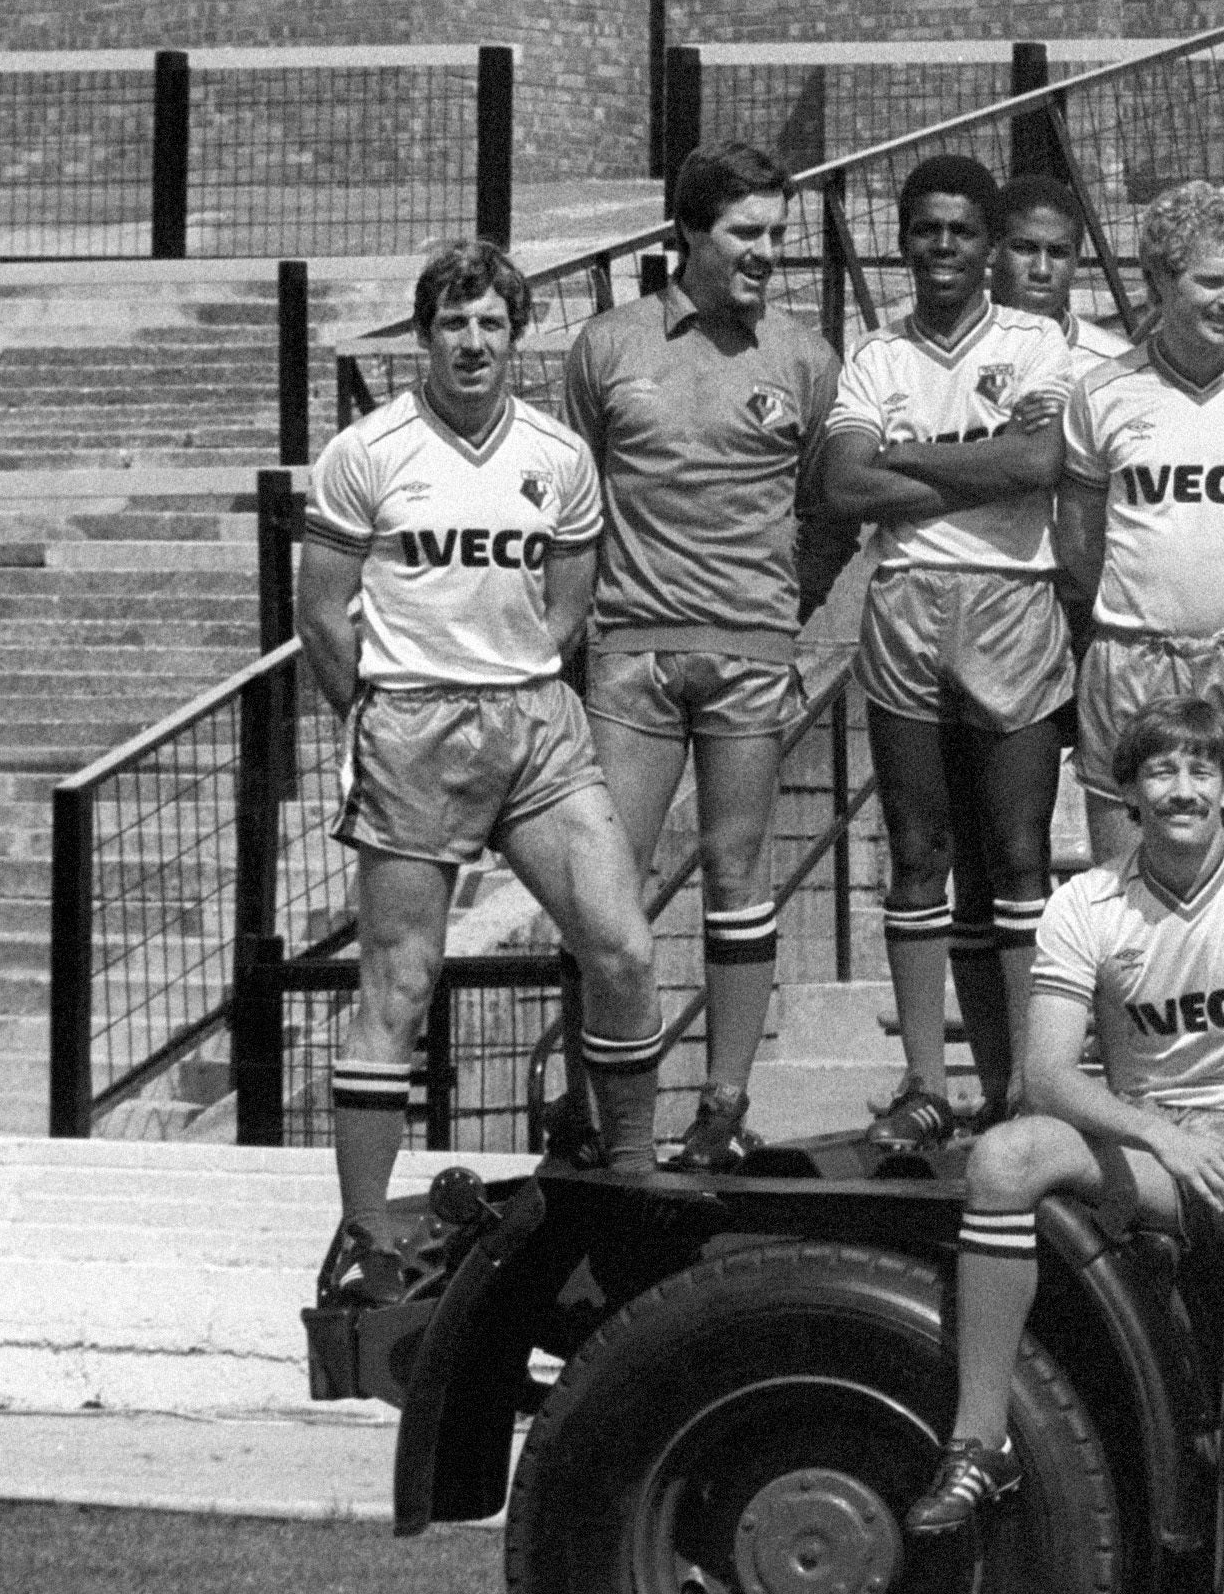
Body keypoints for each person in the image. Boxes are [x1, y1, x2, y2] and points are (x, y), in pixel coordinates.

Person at [905, 695, 1224, 1594]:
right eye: (1160, 772)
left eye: (1200, 771)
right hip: (1163, 1144)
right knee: (1003, 1154)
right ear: (1126, 793)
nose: (1181, 790)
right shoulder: (1087, 904)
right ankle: (980, 1441)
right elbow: (1048, 1074)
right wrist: (1163, 1134)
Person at [302, 239, 666, 1234]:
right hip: (415, 723)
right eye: (453, 323)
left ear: (516, 335)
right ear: (424, 337)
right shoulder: (368, 451)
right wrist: (379, 716)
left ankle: (633, 1181)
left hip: (534, 720)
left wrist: (517, 668)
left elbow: (571, 592)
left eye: (490, 323)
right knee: (402, 981)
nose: (472, 342)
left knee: (623, 947)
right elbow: (324, 617)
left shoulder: (556, 454)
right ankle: (368, 1230)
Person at [559, 144, 842, 1171]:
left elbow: (831, 504)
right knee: (606, 881)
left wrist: (782, 607)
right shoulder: (606, 347)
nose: (769, 252)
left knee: (737, 869)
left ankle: (723, 1102)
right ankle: (597, 1106)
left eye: (779, 232)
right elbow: (571, 502)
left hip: (748, 654)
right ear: (688, 233)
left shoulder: (804, 358)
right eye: (747, 233)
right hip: (629, 652)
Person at [817, 153, 1079, 1144]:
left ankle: (1028, 1086)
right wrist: (981, 471)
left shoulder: (1035, 340)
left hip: (1012, 601)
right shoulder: (876, 357)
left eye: (960, 231)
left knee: (1016, 857)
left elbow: (1039, 461)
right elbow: (845, 487)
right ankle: (927, 1083)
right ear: (903, 239)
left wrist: (907, 457)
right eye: (924, 229)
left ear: (984, 246)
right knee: (919, 854)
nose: (942, 247)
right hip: (903, 607)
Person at [1057, 182, 1224, 855]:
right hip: (1134, 656)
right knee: (1126, 896)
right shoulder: (1104, 392)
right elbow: (1082, 539)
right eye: (1210, 282)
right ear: (1159, 283)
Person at [993, 168, 1138, 389]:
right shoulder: (954, 357)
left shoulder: (1117, 368)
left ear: (1076, 260)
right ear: (992, 251)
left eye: (1058, 253)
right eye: (1024, 249)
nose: (1041, 270)